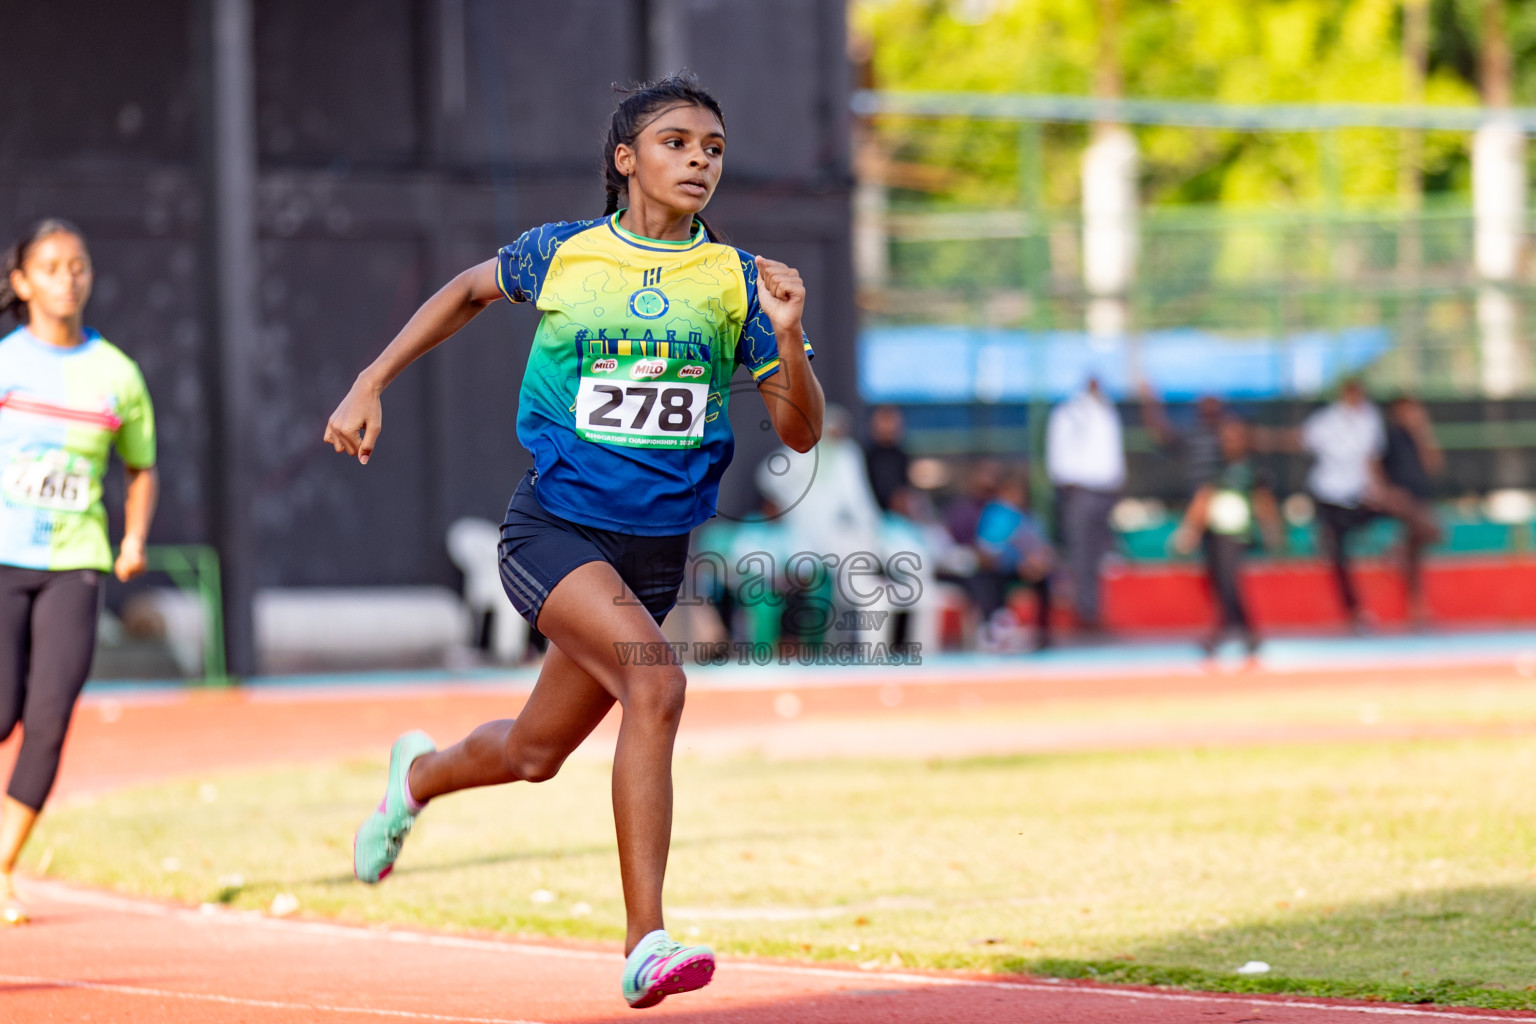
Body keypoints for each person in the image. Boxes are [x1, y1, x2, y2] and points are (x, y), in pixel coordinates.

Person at [324, 75, 820, 1009]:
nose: (701, 161)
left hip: (654, 552)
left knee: (532, 754)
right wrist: (371, 379)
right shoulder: (564, 254)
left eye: (714, 147)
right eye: (677, 142)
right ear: (627, 159)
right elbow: (467, 290)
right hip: (552, 526)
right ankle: (646, 943)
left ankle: (418, 778)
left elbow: (798, 432)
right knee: (657, 681)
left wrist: (789, 340)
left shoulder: (741, 283)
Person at [0, 220, 158, 925]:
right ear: (22, 282)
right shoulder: (5, 364)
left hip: (77, 562)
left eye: (80, 266)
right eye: (53, 266)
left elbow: (141, 465)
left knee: (48, 721)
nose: (68, 277)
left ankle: (1, 866)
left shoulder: (117, 374)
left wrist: (132, 539)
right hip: (3, 557)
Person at [1171, 415, 1281, 658]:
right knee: (1220, 583)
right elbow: (1203, 498)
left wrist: (1272, 532)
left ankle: (1228, 632)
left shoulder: (1253, 469)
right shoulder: (1216, 467)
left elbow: (1264, 502)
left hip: (1238, 534)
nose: (1231, 442)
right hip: (1215, 533)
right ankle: (1240, 633)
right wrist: (1189, 530)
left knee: (1230, 582)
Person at [1296, 378, 1387, 631]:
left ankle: (1395, 548)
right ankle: (1355, 612)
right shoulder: (1326, 420)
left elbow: (1372, 457)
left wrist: (1376, 487)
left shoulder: (1371, 418)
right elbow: (1302, 440)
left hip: (1357, 496)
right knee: (1338, 553)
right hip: (1329, 496)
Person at [1046, 376, 1125, 633]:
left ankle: (1093, 609)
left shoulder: (1107, 410)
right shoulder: (1070, 413)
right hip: (1080, 490)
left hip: (1105, 490)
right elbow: (1058, 454)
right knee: (1081, 553)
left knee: (1100, 555)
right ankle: (1084, 611)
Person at [973, 470, 1055, 651]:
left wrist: (1036, 562)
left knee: (1043, 581)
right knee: (987, 582)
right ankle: (994, 630)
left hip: (1025, 570)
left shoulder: (1028, 517)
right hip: (1000, 570)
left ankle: (1042, 632)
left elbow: (1043, 547)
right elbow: (987, 549)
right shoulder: (995, 514)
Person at [1381, 395, 1443, 625]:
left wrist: (1423, 434)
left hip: (1421, 497)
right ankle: (1400, 551)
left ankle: (1417, 608)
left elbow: (1434, 465)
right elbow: (1376, 464)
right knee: (1432, 530)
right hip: (1401, 498)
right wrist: (1387, 492)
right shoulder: (1389, 437)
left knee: (1415, 558)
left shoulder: (1418, 438)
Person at [863, 404, 910, 511]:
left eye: (891, 420)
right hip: (870, 512)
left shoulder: (901, 456)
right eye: (884, 420)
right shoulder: (865, 455)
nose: (888, 426)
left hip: (897, 517)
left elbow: (904, 489)